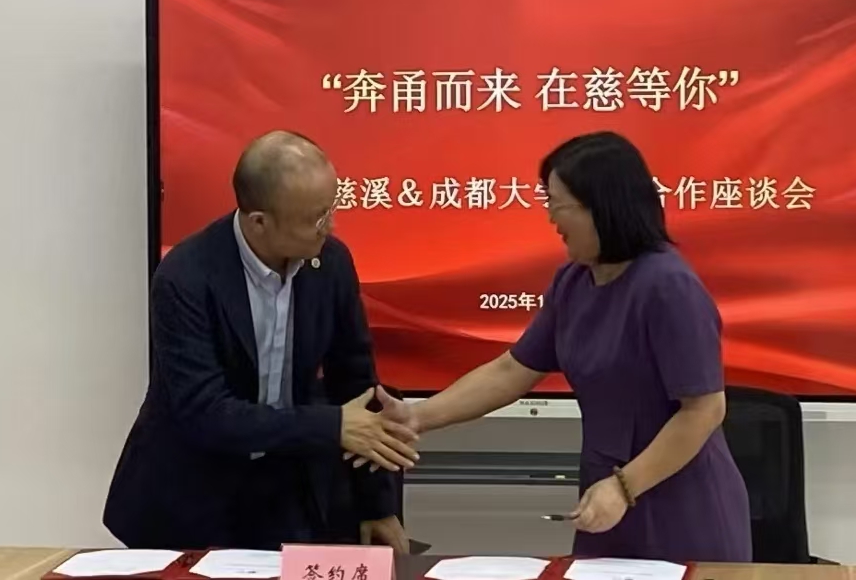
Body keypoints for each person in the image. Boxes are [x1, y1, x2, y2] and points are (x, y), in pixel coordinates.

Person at [356, 131, 753, 563]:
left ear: (600, 207)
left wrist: (626, 486)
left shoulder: (668, 287)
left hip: (679, 504)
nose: (549, 217)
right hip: (603, 499)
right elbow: (512, 371)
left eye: (557, 203)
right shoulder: (574, 281)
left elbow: (704, 410)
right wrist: (417, 417)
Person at [104, 131, 417, 552]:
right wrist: (330, 426)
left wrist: (376, 506)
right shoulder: (185, 277)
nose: (330, 227)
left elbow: (357, 386)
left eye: (330, 211)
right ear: (259, 222)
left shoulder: (331, 264)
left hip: (286, 484)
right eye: (316, 219)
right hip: (194, 491)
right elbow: (206, 413)